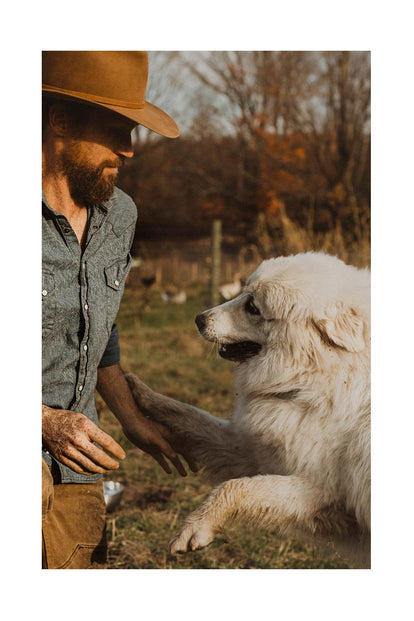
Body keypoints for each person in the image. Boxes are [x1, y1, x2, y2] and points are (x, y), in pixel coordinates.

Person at [41, 51, 188, 569]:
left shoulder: (120, 215)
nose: (128, 150)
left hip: (80, 461)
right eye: (115, 130)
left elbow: (100, 330)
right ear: (59, 121)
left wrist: (130, 417)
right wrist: (42, 421)